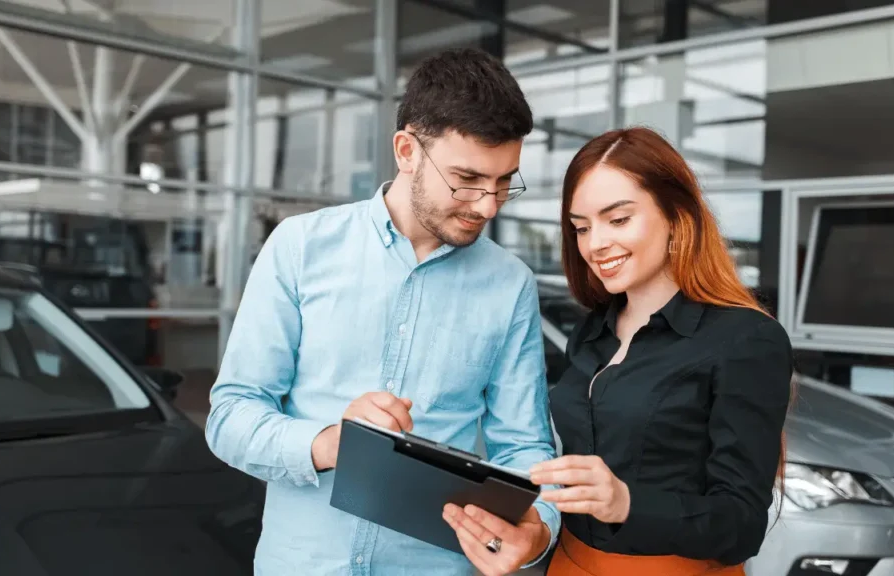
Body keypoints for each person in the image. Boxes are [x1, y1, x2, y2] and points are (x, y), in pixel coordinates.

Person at [205, 48, 560, 576]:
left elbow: (525, 446)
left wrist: (538, 527)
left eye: (505, 182)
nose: (487, 204)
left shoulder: (510, 285)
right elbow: (231, 415)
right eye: (467, 179)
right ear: (407, 151)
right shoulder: (301, 248)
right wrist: (328, 443)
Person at [529, 127, 794, 576]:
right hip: (567, 564)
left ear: (676, 216)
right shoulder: (593, 330)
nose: (595, 244)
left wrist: (627, 503)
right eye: (581, 227)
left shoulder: (745, 339)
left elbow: (742, 525)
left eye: (618, 220)